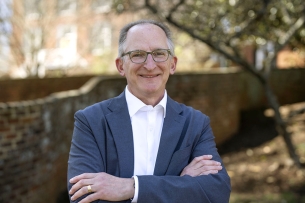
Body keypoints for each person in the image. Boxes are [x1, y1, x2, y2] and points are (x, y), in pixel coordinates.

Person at [67, 19, 231, 203]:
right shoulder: (91, 121)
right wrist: (180, 182)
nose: (150, 65)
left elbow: (216, 192)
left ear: (173, 64)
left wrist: (131, 187)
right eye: (137, 54)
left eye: (159, 53)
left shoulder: (196, 123)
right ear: (121, 65)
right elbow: (83, 196)